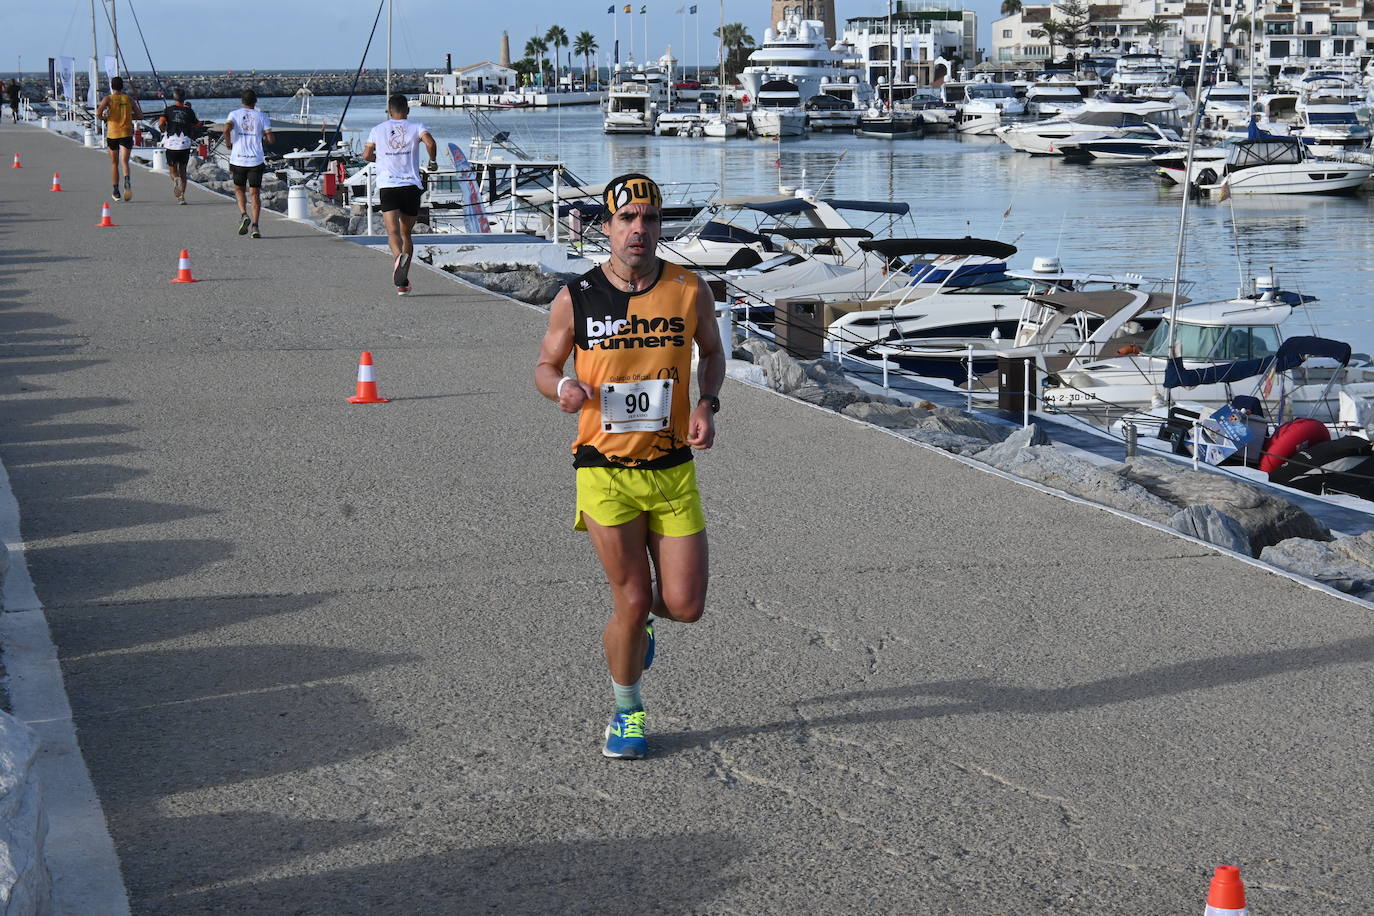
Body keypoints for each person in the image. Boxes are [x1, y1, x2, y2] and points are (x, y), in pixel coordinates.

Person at [533, 172, 725, 760]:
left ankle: (635, 631)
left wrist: (708, 403)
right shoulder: (578, 296)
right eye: (626, 219)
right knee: (634, 599)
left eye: (649, 219)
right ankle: (627, 710)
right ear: (607, 227)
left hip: (671, 469)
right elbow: (544, 364)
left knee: (686, 605)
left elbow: (713, 353)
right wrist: (561, 386)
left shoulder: (690, 290)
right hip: (603, 468)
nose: (639, 230)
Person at [361, 93, 437, 295]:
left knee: (392, 232)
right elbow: (430, 143)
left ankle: (397, 260)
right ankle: (402, 282)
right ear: (407, 110)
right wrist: (433, 162)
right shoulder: (417, 126)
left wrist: (382, 158)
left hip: (388, 186)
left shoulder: (377, 130)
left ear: (389, 111)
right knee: (406, 234)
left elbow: (367, 155)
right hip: (411, 186)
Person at [222, 89, 274, 239]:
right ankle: (255, 227)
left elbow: (226, 129)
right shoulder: (262, 116)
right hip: (255, 160)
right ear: (255, 101)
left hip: (238, 159)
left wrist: (228, 143)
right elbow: (270, 138)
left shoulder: (234, 114)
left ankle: (244, 214)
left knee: (239, 189)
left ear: (242, 101)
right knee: (255, 193)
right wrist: (268, 139)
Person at [95, 76, 142, 202]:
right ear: (122, 86)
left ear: (112, 86)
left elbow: (98, 113)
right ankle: (127, 180)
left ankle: (116, 191)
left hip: (113, 134)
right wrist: (128, 117)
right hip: (126, 133)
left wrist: (106, 118)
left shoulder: (108, 99)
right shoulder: (128, 99)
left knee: (114, 163)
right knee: (125, 162)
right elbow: (140, 115)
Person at [158, 88, 200, 205]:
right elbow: (197, 124)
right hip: (185, 144)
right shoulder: (189, 111)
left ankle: (175, 179)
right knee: (183, 171)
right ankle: (181, 197)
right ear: (184, 98)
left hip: (171, 144)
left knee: (173, 170)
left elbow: (161, 123)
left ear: (174, 97)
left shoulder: (168, 110)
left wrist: (163, 129)